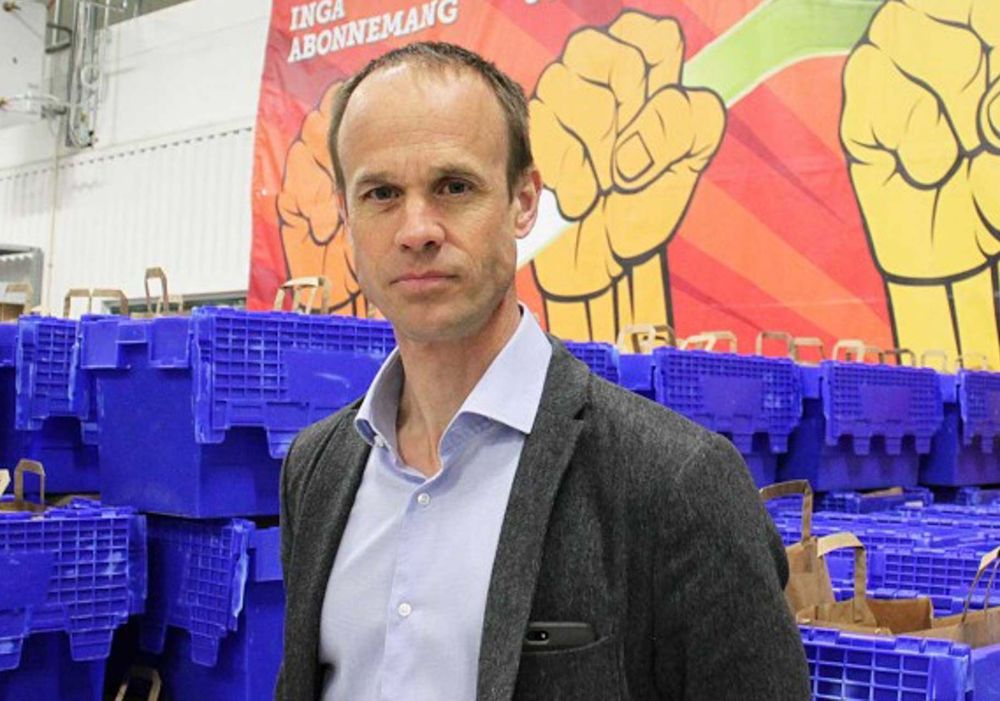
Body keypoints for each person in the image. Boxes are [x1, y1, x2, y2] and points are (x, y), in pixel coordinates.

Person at [276, 41, 810, 701]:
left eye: (454, 187)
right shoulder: (316, 470)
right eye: (381, 193)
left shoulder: (676, 483)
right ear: (346, 213)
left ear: (523, 201)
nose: (417, 229)